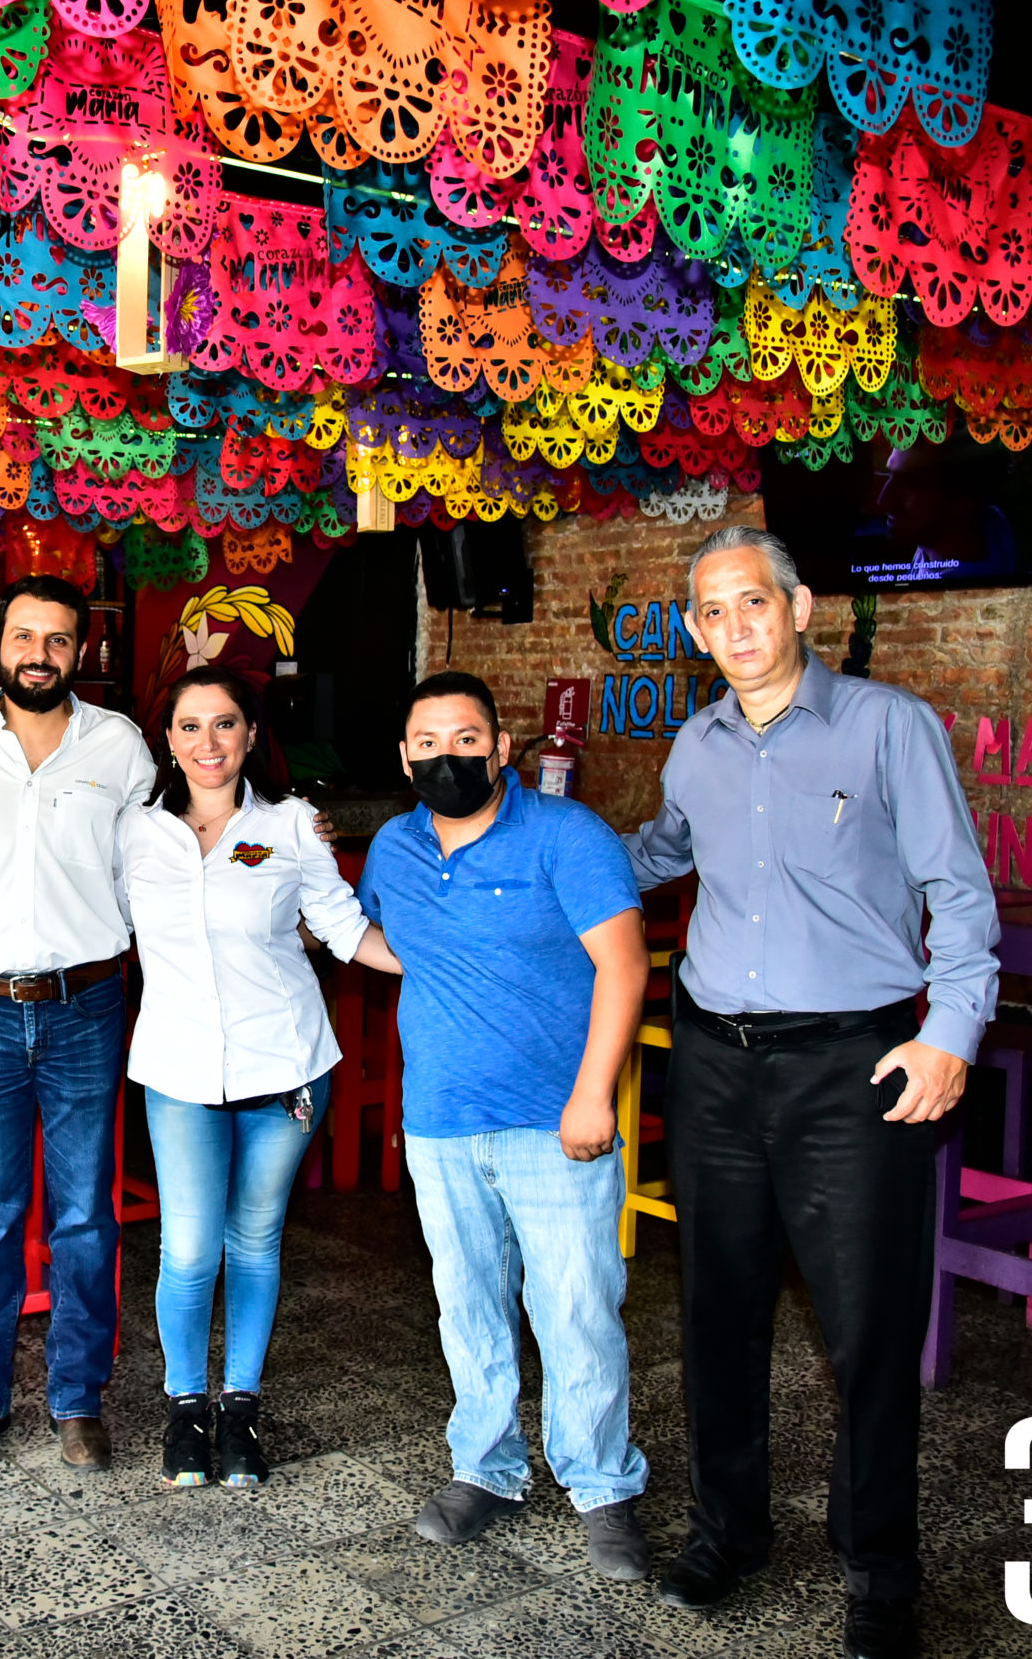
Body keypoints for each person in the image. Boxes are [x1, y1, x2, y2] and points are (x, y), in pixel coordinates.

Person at [623, 526, 997, 1659]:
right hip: (716, 1063)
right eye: (710, 611)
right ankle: (727, 1529)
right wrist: (533, 853)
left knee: (869, 1327)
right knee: (717, 1307)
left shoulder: (890, 726)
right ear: (693, 629)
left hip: (856, 1063)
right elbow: (654, 855)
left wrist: (949, 1034)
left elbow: (961, 895)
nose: (732, 626)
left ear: (799, 609)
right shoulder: (693, 745)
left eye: (752, 603)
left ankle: (881, 1562)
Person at [356, 672, 652, 1578]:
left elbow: (625, 966)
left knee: (575, 1310)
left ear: (502, 746)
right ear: (406, 755)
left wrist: (594, 1093)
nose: (450, 756)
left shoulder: (568, 836)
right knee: (468, 1306)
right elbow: (391, 944)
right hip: (442, 1120)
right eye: (430, 742)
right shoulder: (396, 848)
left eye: (467, 738)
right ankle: (487, 1468)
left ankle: (602, 1485)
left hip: (552, 1121)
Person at [116, 666, 400, 1489]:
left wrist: (443, 962)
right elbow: (93, 915)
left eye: (226, 724)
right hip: (176, 1067)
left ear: (250, 735)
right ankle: (183, 1406)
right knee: (190, 1246)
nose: (209, 742)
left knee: (254, 1240)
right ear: (167, 739)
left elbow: (343, 928)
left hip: (286, 1064)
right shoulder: (132, 831)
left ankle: (239, 1405)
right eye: (191, 726)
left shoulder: (291, 827)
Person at [0, 576, 154, 1472]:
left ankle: (77, 1398)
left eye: (57, 640)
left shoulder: (119, 745)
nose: (39, 654)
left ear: (80, 652)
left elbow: (146, 871)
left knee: (87, 1214)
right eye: (24, 636)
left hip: (87, 1005)